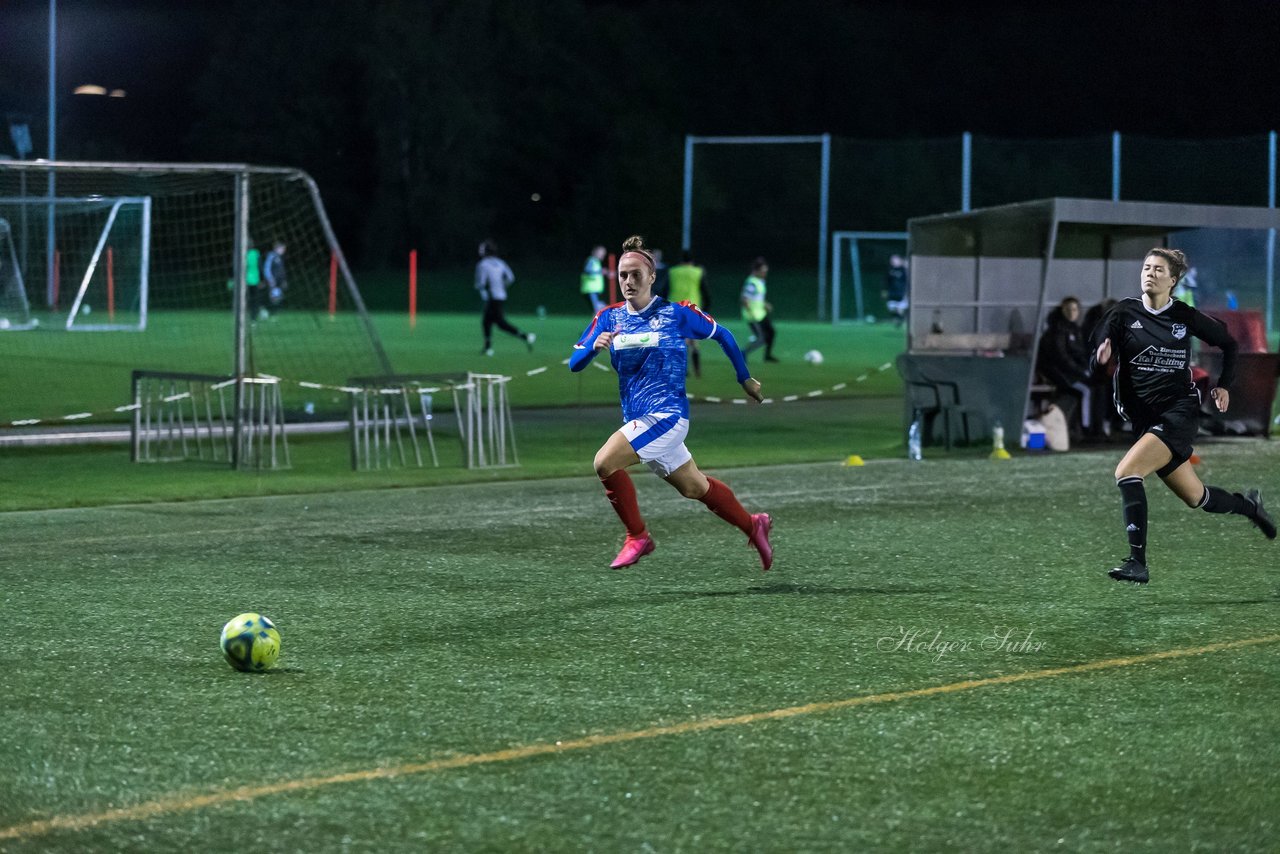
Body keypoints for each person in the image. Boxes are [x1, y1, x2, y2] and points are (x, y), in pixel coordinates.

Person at [570, 235, 773, 571]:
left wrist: (744, 378)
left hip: (667, 415)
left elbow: (724, 334)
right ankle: (754, 525)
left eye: (636, 274)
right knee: (695, 487)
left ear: (652, 277)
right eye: (623, 275)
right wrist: (593, 348)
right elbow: (574, 364)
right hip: (639, 420)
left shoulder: (676, 314)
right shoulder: (608, 318)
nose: (629, 281)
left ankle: (638, 537)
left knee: (604, 463)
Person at [1092, 248, 1275, 584]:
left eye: (1158, 269)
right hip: (1147, 422)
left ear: (1173, 281)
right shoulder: (1123, 313)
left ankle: (1138, 563)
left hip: (1178, 413)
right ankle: (1250, 506)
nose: (1149, 273)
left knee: (1127, 472)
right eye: (1146, 267)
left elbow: (1230, 345)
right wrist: (1102, 355)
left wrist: (1224, 386)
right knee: (1197, 497)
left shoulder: (1184, 316)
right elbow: (1097, 355)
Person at [1035, 296, 1093, 436]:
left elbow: (1079, 354)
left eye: (1074, 309)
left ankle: (1089, 426)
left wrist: (1087, 368)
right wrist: (1081, 371)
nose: (1072, 313)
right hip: (1057, 373)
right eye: (1068, 309)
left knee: (1098, 387)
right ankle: (1085, 427)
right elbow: (1061, 358)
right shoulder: (1057, 331)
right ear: (1062, 311)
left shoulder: (1075, 330)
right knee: (1085, 391)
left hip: (1069, 372)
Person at [476, 239, 535, 356]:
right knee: (487, 321)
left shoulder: (483, 264)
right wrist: (502, 286)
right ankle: (487, 348)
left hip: (492, 297)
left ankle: (526, 336)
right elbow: (511, 278)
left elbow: (481, 283)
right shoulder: (500, 262)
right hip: (501, 296)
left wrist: (484, 294)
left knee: (500, 323)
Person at [667, 249, 712, 378]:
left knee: (680, 340)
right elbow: (706, 292)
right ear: (692, 260)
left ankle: (683, 370)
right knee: (693, 341)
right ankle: (697, 371)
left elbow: (663, 290)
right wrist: (706, 310)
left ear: (681, 260)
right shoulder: (698, 272)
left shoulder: (673, 272)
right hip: (693, 309)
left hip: (675, 309)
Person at [740, 256, 778, 363]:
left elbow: (757, 298)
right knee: (761, 339)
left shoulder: (759, 281)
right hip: (753, 316)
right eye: (763, 271)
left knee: (771, 332)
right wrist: (749, 310)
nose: (764, 273)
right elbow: (744, 299)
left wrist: (765, 304)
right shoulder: (751, 283)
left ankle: (767, 356)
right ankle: (743, 353)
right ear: (756, 271)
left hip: (761, 313)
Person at [261, 241, 287, 318]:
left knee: (278, 296)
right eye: (282, 249)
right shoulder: (271, 256)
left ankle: (272, 313)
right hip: (272, 280)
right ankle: (266, 311)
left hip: (278, 281)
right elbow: (267, 268)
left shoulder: (279, 257)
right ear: (277, 248)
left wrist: (283, 280)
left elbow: (281, 270)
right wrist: (270, 279)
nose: (283, 250)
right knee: (273, 297)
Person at [883, 254, 909, 327]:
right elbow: (886, 281)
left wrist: (906, 293)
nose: (893, 262)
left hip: (901, 293)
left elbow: (907, 281)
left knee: (901, 309)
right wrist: (884, 290)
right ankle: (899, 318)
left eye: (895, 260)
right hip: (892, 293)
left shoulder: (904, 270)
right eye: (892, 260)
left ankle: (900, 319)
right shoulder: (889, 270)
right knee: (891, 308)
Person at [580, 245, 607, 314]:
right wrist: (600, 272)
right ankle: (596, 324)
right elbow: (587, 271)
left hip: (594, 290)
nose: (602, 255)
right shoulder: (591, 261)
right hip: (590, 289)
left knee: (600, 308)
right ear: (595, 252)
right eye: (600, 253)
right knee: (596, 310)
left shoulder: (596, 262)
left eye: (603, 254)